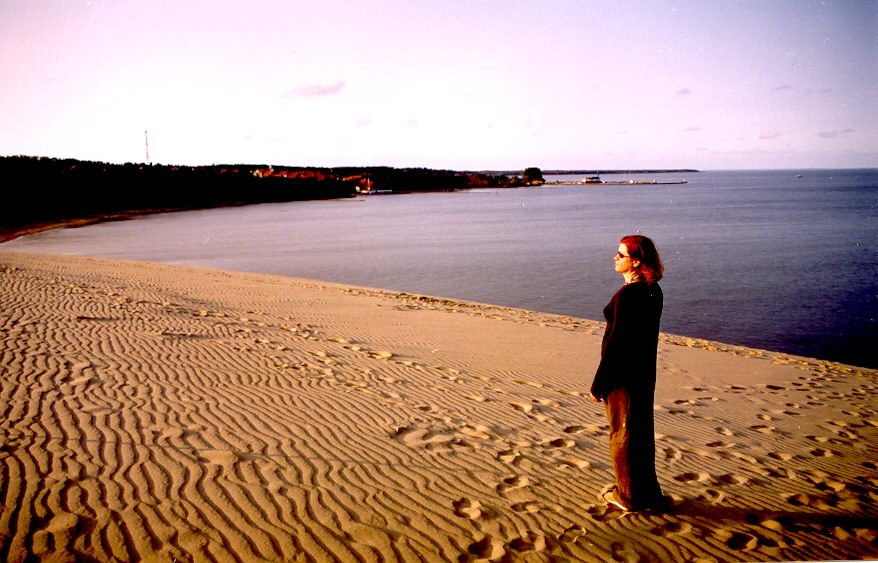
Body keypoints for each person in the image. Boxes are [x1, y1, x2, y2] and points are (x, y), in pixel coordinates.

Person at [590, 234, 668, 512]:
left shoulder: (628, 296)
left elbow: (617, 345)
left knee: (622, 435)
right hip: (644, 373)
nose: (615, 257)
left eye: (621, 255)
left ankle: (629, 496)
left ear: (636, 262)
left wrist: (599, 384)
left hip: (623, 376)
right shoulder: (653, 290)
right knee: (641, 433)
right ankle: (647, 492)